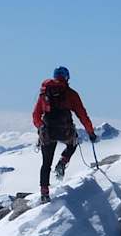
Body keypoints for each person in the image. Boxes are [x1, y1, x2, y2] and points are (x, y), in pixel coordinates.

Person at [32, 66, 97, 203]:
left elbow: (36, 114)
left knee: (46, 163)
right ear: (67, 77)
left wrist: (40, 127)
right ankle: (63, 162)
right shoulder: (71, 94)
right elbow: (82, 114)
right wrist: (90, 132)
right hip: (65, 130)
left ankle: (44, 194)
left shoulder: (44, 93)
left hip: (47, 131)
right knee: (73, 144)